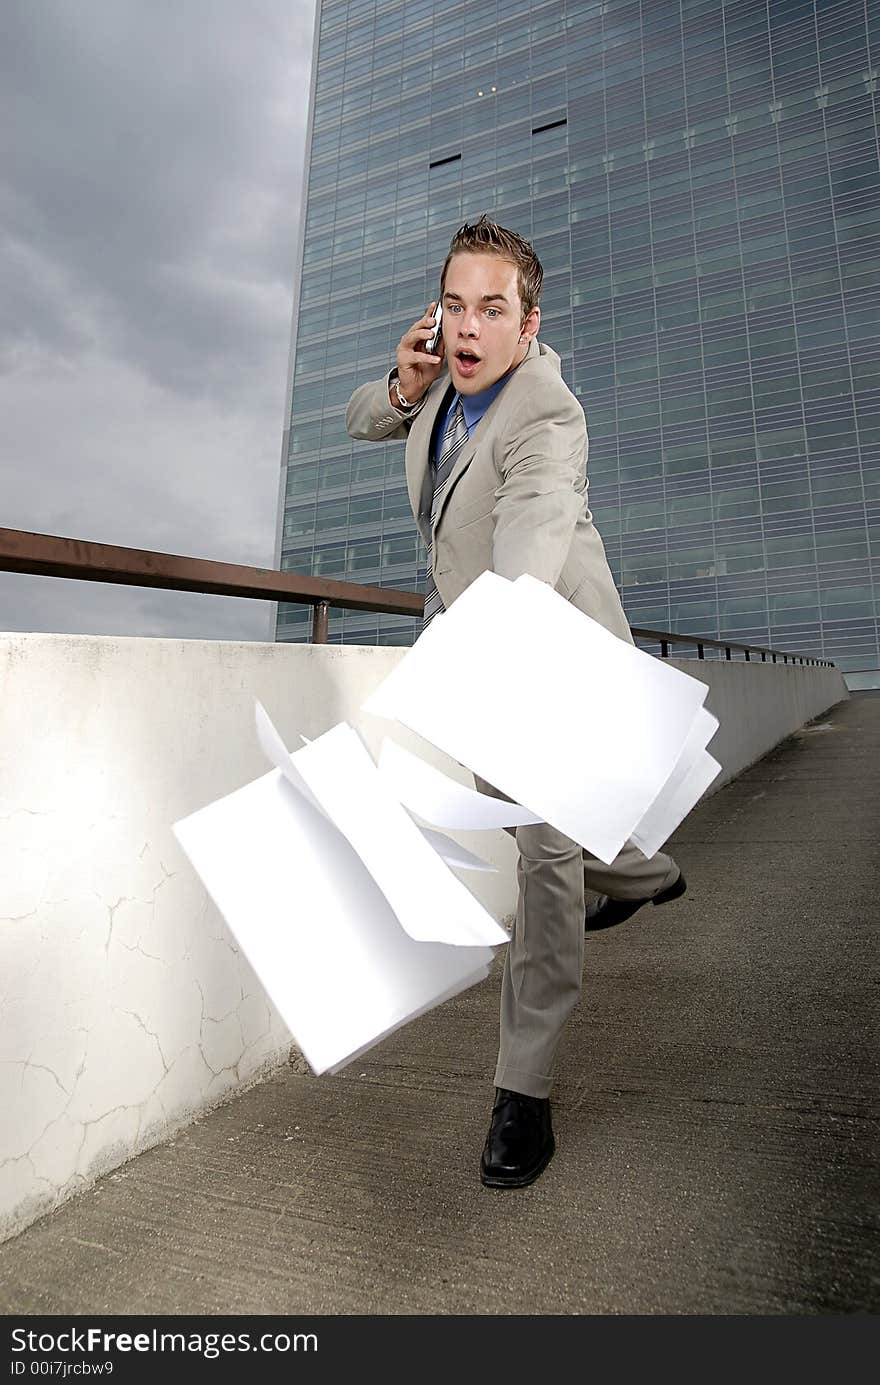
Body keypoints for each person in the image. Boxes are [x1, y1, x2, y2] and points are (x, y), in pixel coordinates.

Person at [345, 216, 686, 1189]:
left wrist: (493, 631)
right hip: (479, 650)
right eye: (453, 304)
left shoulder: (544, 409)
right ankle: (631, 874)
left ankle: (521, 1096)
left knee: (541, 856)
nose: (467, 325)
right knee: (582, 847)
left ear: (527, 324)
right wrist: (406, 383)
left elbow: (532, 522)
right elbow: (362, 416)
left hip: (542, 647)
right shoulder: (444, 386)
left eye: (491, 308)